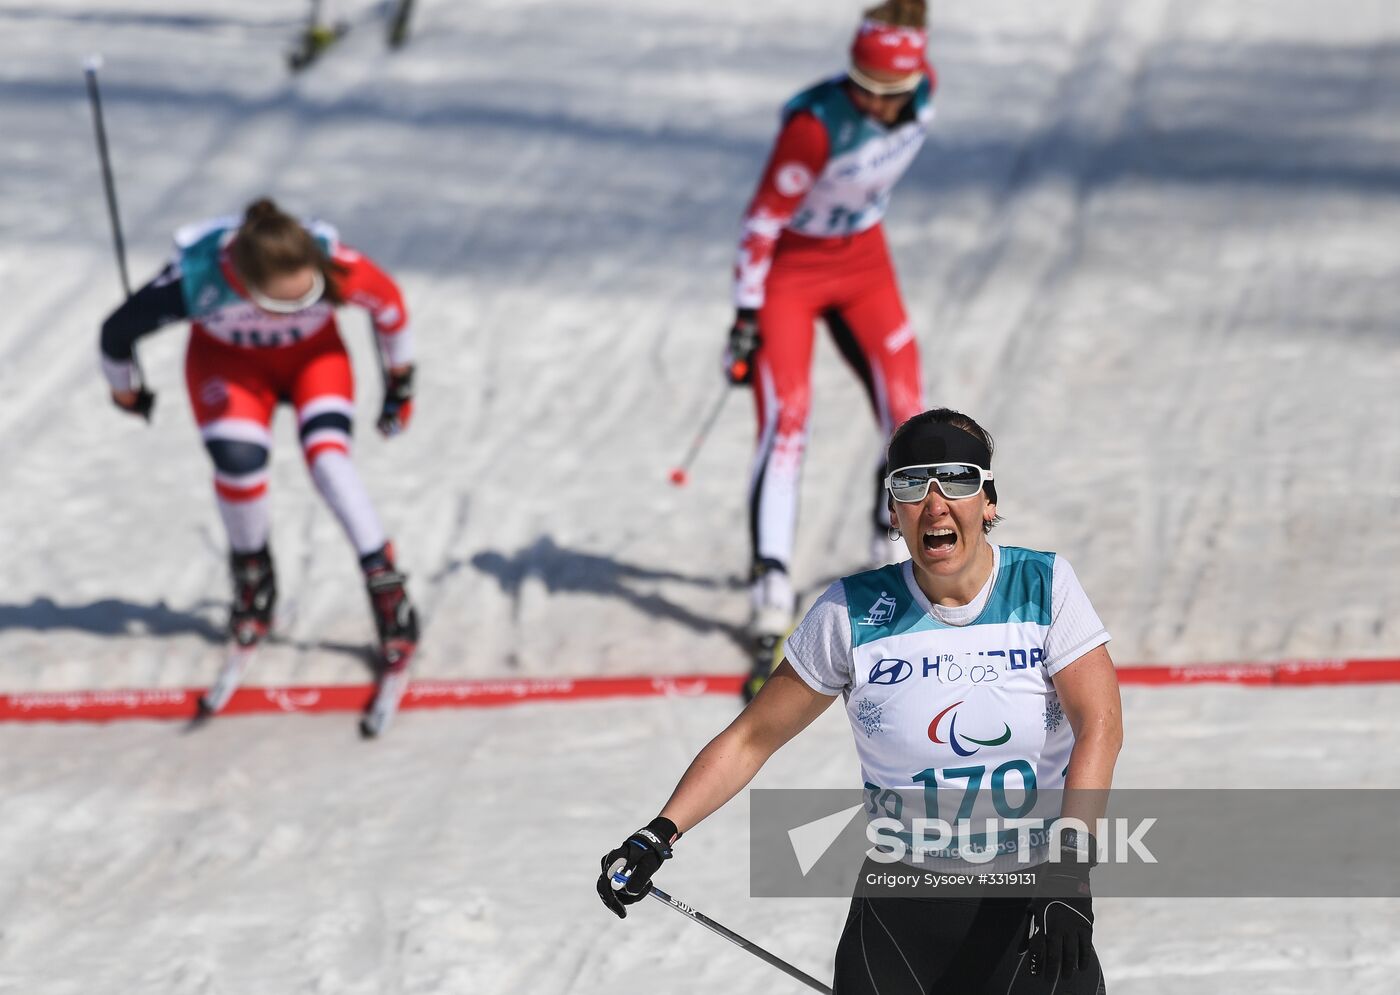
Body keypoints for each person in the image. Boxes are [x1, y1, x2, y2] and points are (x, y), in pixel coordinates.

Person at [598, 408, 1122, 993]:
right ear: (893, 513)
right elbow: (750, 739)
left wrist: (1071, 873)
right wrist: (659, 832)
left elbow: (1099, 723)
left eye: (956, 480)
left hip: (1033, 903)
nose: (935, 503)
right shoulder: (852, 612)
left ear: (989, 502)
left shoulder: (1044, 585)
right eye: (910, 485)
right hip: (903, 917)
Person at [98, 197, 420, 668]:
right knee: (238, 461)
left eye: (306, 297)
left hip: (312, 360)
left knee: (329, 460)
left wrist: (400, 385)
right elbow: (116, 332)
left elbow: (390, 311)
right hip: (230, 365)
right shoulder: (198, 280)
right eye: (278, 302)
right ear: (245, 282)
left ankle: (387, 588)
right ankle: (253, 580)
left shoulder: (335, 263)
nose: (293, 309)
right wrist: (126, 391)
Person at [723, 0, 936, 696]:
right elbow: (759, 223)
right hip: (794, 271)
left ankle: (897, 546)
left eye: (891, 95)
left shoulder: (923, 88)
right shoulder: (815, 129)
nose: (877, 107)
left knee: (909, 410)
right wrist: (747, 315)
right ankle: (771, 583)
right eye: (864, 88)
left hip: (864, 262)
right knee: (789, 419)